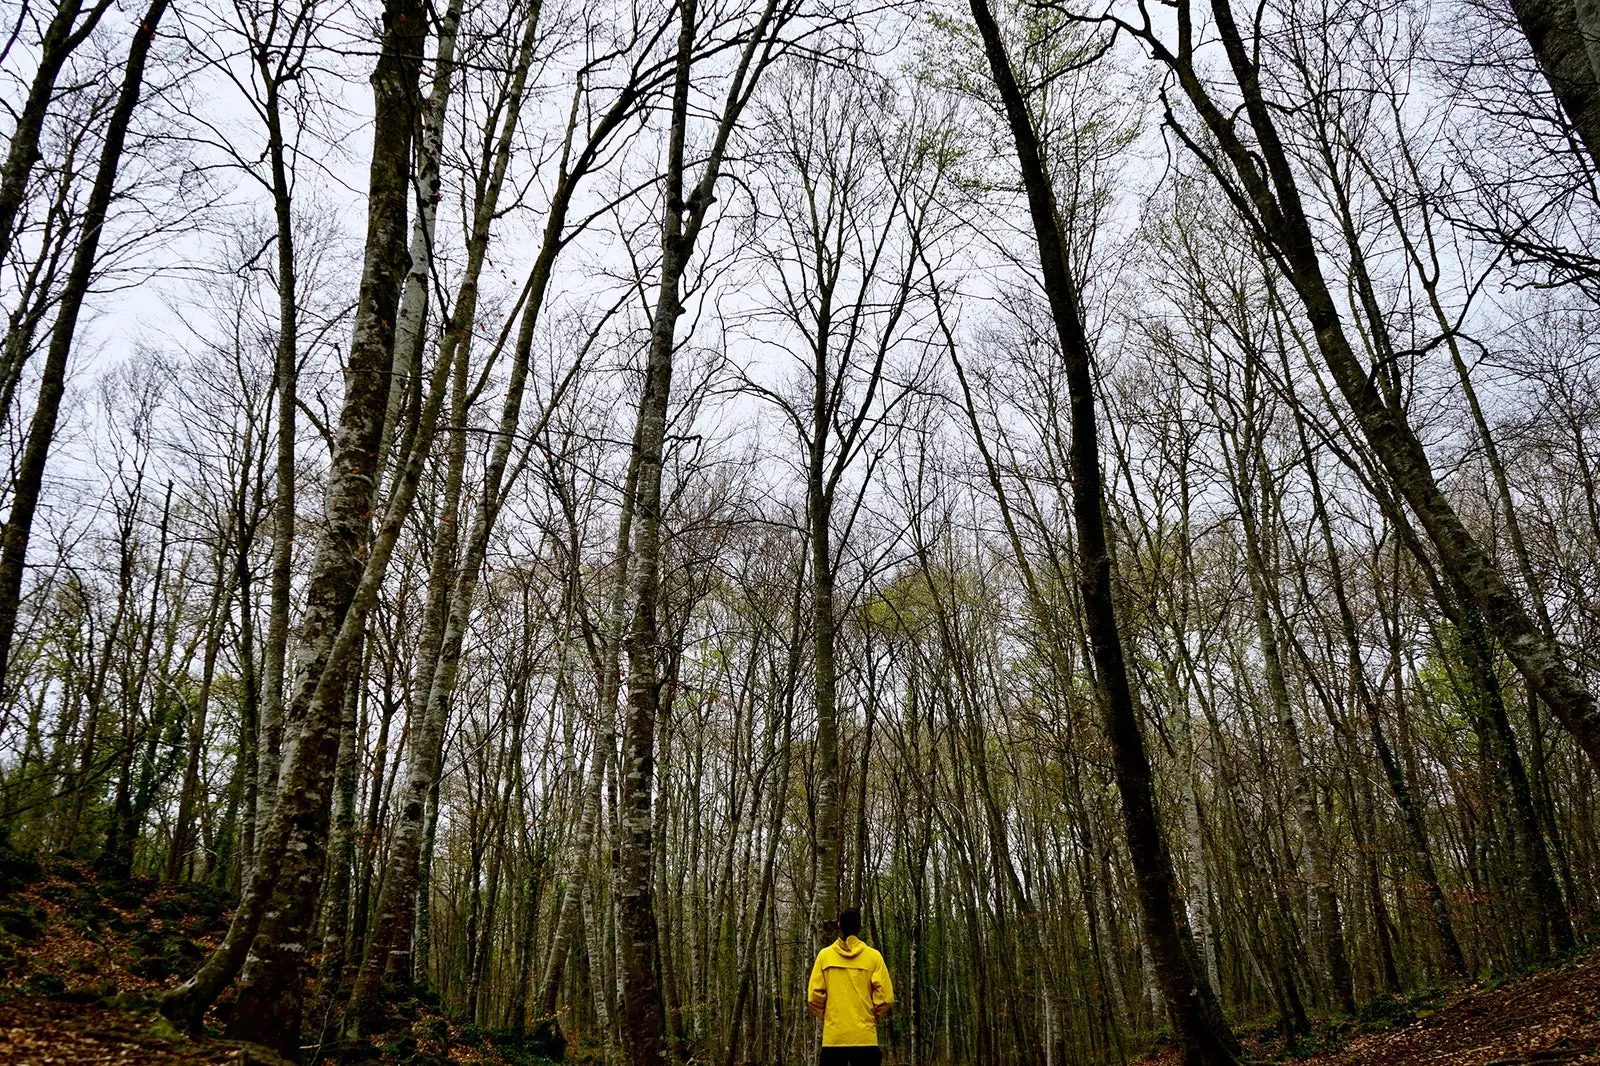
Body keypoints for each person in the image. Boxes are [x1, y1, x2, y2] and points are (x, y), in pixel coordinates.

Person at [806, 907, 894, 1065]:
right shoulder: (873, 957)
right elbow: (886, 998)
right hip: (865, 1038)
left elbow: (814, 996)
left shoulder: (824, 956)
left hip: (834, 1039)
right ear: (860, 928)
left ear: (839, 926)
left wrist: (830, 1017)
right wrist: (870, 1016)